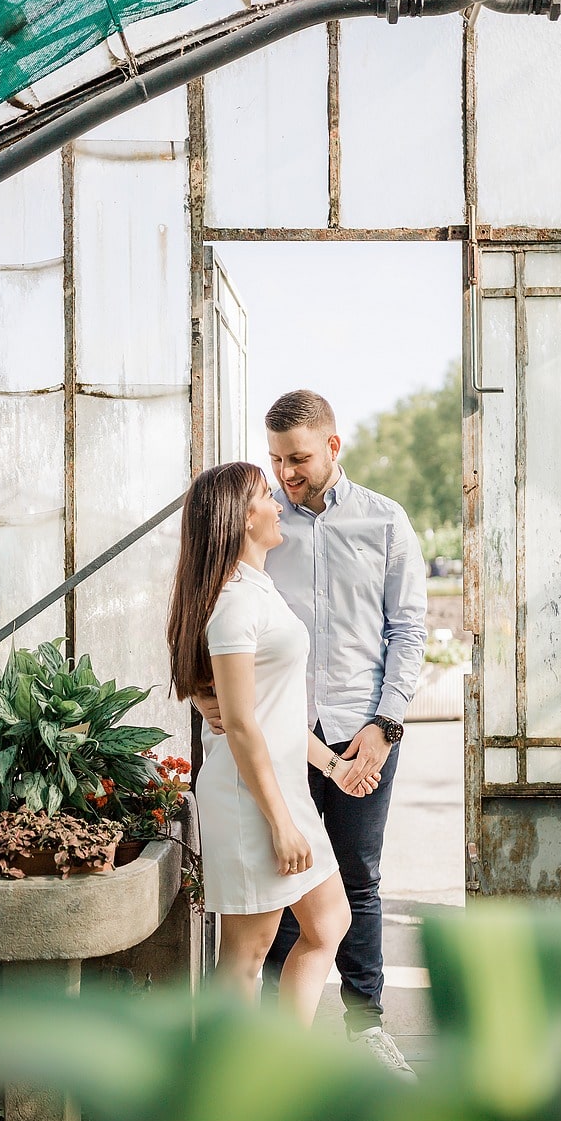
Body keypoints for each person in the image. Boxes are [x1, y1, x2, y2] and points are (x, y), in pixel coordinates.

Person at [197, 393, 427, 1076]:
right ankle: (264, 1057)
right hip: (280, 742)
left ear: (333, 446)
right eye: (274, 460)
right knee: (278, 906)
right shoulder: (261, 530)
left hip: (356, 738)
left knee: (355, 883)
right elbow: (211, 612)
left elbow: (408, 631)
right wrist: (206, 689)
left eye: (296, 458)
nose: (283, 475)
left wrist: (385, 726)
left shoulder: (386, 522)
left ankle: (366, 1030)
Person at [167, 461, 379, 1027]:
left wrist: (332, 766)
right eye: (266, 495)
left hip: (282, 787)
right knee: (246, 956)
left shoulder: (258, 587)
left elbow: (273, 713)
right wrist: (280, 824)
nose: (278, 502)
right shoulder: (235, 603)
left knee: (329, 922)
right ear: (240, 519)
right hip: (250, 800)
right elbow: (240, 726)